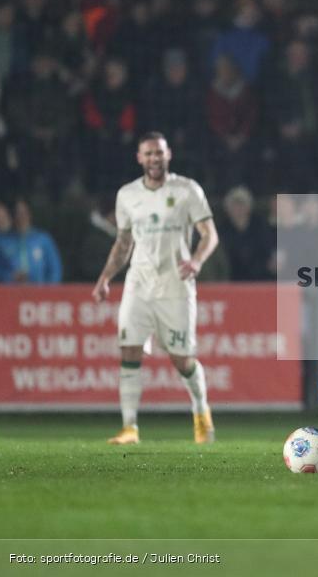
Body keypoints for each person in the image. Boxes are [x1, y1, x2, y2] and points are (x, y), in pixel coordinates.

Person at [92, 132, 219, 445]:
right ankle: (129, 427)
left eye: (159, 153)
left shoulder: (187, 190)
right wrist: (105, 277)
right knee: (129, 350)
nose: (154, 159)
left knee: (182, 359)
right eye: (148, 153)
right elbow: (124, 243)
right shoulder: (127, 195)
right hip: (139, 284)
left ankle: (201, 411)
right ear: (139, 157)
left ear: (168, 155)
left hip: (175, 284)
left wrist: (198, 261)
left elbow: (209, 234)